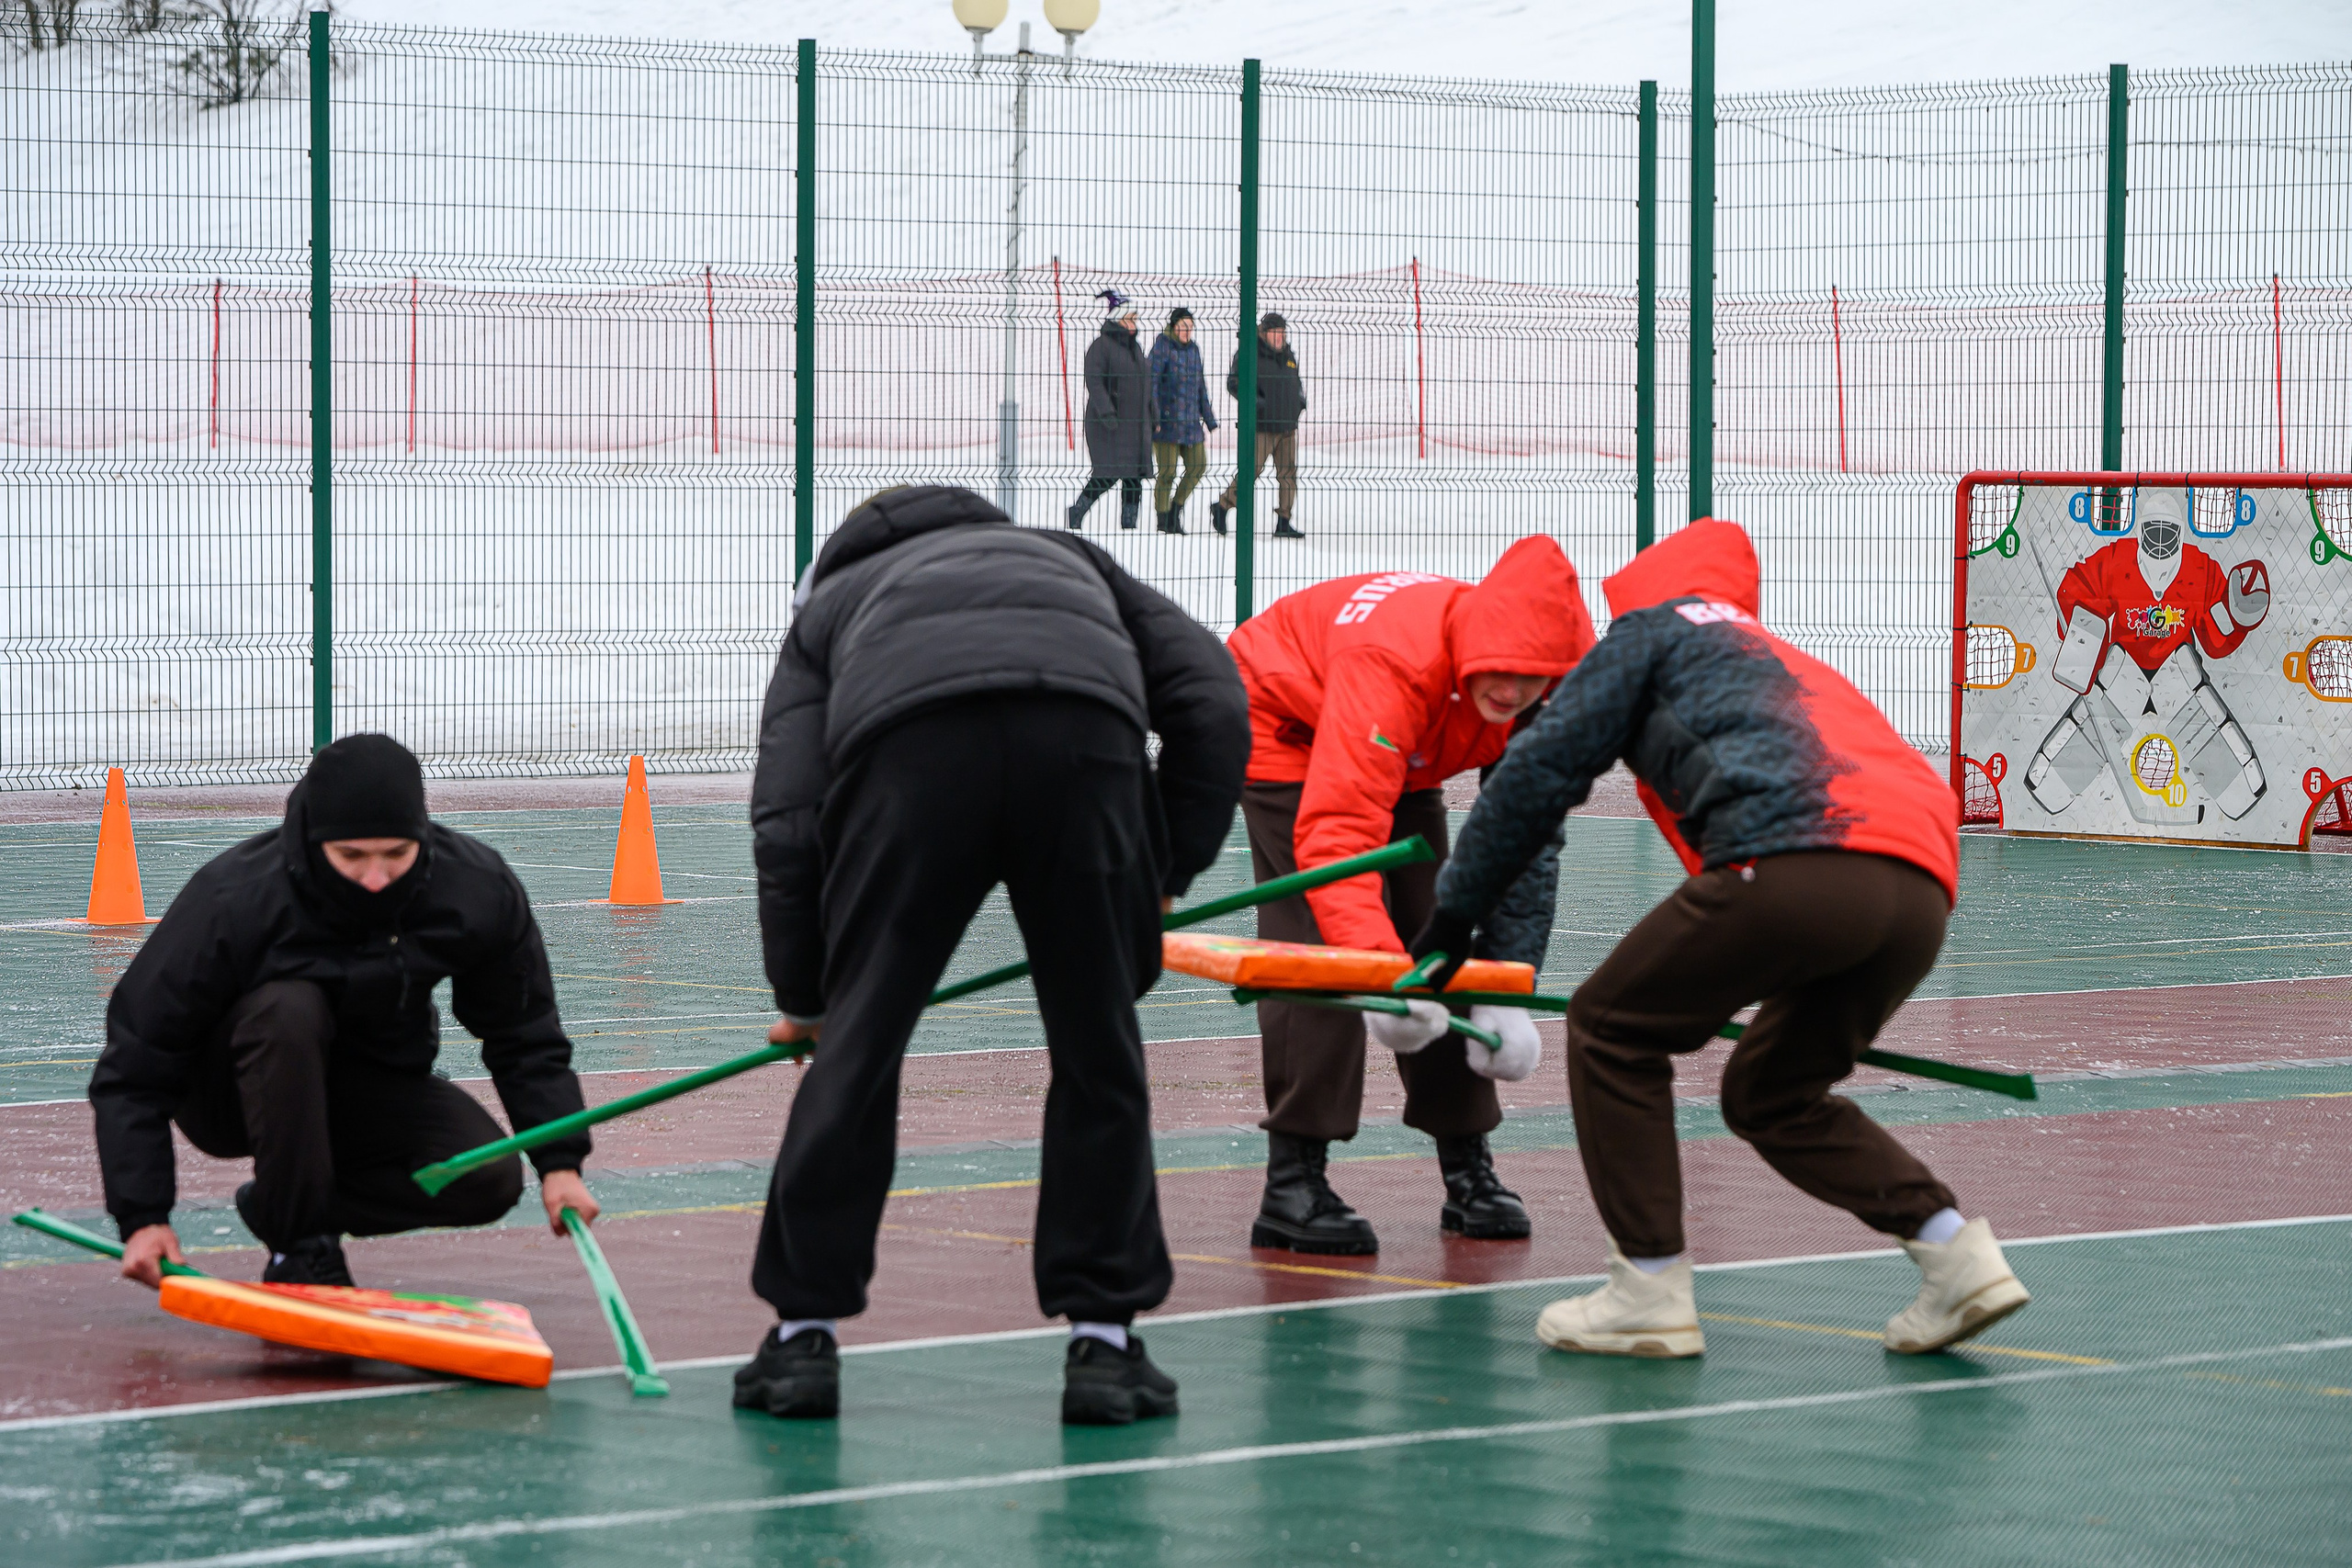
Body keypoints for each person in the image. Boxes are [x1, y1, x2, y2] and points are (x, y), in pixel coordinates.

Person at [1411, 519, 2030, 1359]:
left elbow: (1533, 776)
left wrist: (1450, 920)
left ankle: (1648, 1287)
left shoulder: (1649, 633)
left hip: (1799, 858)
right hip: (1920, 887)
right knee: (1773, 1092)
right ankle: (1956, 1252)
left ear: (1647, 590)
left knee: (1609, 1028)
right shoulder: (1773, 650)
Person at [737, 484, 1249, 1425]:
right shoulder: (1072, 557)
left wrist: (809, 995)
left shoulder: (833, 607)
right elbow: (1213, 699)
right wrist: (1160, 869)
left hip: (909, 755)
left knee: (859, 1048)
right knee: (1100, 1049)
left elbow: (788, 816)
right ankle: (1104, 1347)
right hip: (1083, 744)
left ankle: (802, 1338)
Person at [90, 734, 598, 1291]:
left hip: (369, 1084)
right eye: (352, 857)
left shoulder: (474, 888)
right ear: (315, 841)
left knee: (485, 1178)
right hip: (233, 1092)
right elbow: (136, 1065)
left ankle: (280, 1206)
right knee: (288, 1008)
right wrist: (143, 1217)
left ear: (422, 836)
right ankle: (301, 1251)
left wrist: (558, 1162)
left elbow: (523, 1032)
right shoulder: (235, 899)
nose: (376, 878)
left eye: (396, 855)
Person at [1225, 537, 1596, 1255]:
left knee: (1437, 929)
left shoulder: (1553, 692)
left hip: (1403, 750)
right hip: (1285, 725)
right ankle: (1293, 1178)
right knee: (1324, 947)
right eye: (1503, 666)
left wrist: (1506, 990)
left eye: (1534, 675)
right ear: (1475, 637)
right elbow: (1337, 833)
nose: (1514, 688)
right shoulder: (1394, 664)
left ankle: (1467, 1165)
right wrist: (1386, 975)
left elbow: (1524, 844)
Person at [1209, 311, 1306, 540]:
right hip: (1261, 426)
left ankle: (1284, 521)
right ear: (1265, 332)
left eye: (1283, 332)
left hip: (1287, 426)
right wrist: (1255, 401)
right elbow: (1233, 383)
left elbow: (1296, 381)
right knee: (1251, 471)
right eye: (1275, 332)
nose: (1280, 337)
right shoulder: (1249, 351)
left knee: (1288, 474)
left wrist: (1300, 401)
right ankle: (1222, 506)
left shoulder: (1288, 355)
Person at [1067, 290, 1158, 533]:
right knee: (1106, 474)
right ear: (1117, 319)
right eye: (1129, 318)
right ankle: (1077, 511)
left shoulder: (1135, 348)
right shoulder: (1101, 347)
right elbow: (1094, 382)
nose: (1133, 323)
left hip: (1136, 425)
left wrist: (1154, 413)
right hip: (1109, 426)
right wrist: (1107, 412)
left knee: (1134, 478)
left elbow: (1146, 385)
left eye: (1135, 318)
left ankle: (1129, 526)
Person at [1147, 307, 1218, 535]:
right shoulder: (1161, 348)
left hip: (1190, 424)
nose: (1187, 331)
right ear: (1174, 326)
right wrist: (1155, 416)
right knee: (1167, 473)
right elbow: (1152, 384)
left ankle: (1175, 509)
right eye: (1183, 327)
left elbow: (1200, 386)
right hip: (1165, 424)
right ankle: (1162, 518)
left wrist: (1208, 418)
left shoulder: (1194, 350)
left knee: (1198, 466)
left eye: (1190, 327)